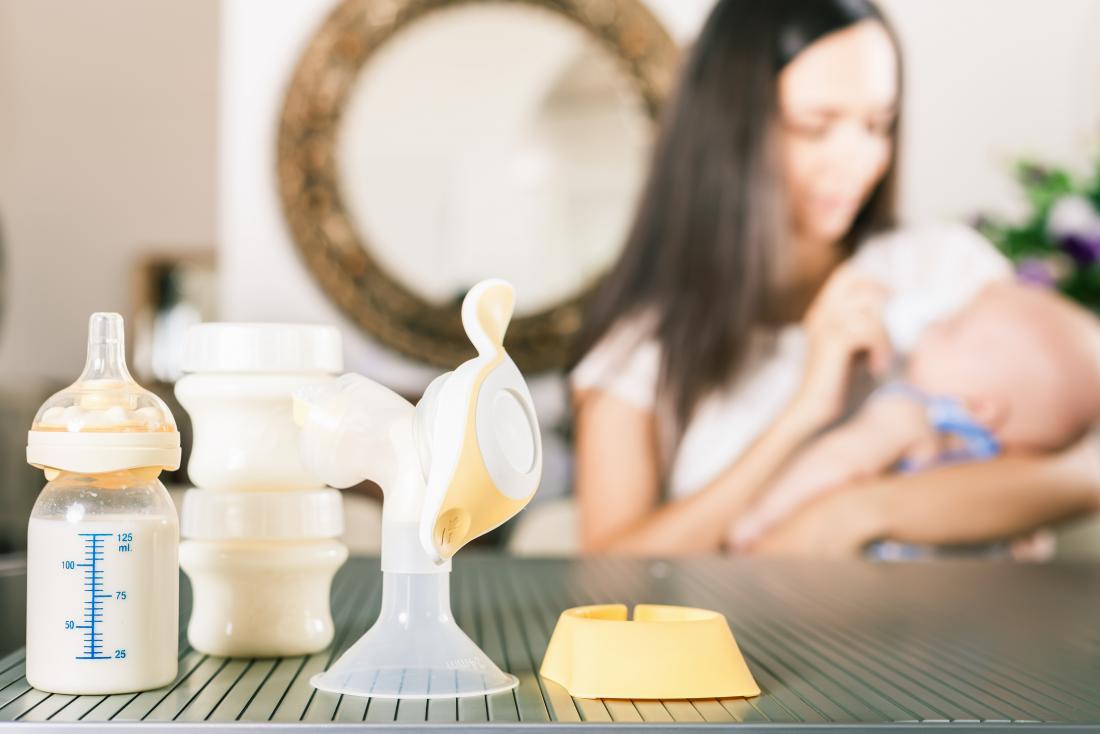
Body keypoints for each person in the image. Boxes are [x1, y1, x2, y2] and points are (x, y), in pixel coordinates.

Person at [568, 0, 1100, 555]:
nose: (858, 159)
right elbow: (611, 573)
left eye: (878, 124)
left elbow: (1085, 471)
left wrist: (852, 514)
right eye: (815, 126)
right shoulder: (640, 348)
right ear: (728, 133)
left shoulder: (942, 266)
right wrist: (805, 413)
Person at [730, 282, 1100, 555]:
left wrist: (756, 520)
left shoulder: (912, 413)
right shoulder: (1009, 474)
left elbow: (838, 459)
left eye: (951, 328)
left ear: (982, 406)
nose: (930, 326)